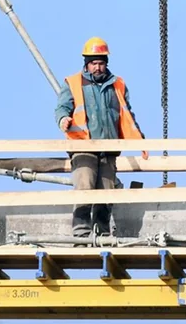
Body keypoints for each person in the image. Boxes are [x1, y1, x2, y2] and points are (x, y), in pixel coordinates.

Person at [54, 37, 148, 240]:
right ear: (86, 63)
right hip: (83, 146)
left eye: (101, 63)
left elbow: (127, 113)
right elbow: (62, 107)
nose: (97, 67)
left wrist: (139, 137)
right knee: (85, 187)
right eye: (94, 63)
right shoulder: (73, 83)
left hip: (108, 149)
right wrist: (63, 119)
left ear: (106, 63)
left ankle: (102, 233)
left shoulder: (117, 85)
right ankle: (81, 233)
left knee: (106, 192)